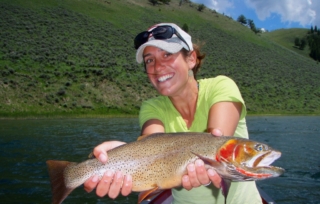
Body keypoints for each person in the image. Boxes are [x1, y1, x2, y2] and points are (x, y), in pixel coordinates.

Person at [84, 23, 262, 204]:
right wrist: (122, 153)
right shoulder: (152, 107)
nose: (158, 67)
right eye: (149, 60)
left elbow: (218, 146)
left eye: (167, 54)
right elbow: (150, 142)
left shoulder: (221, 86)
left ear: (191, 59)